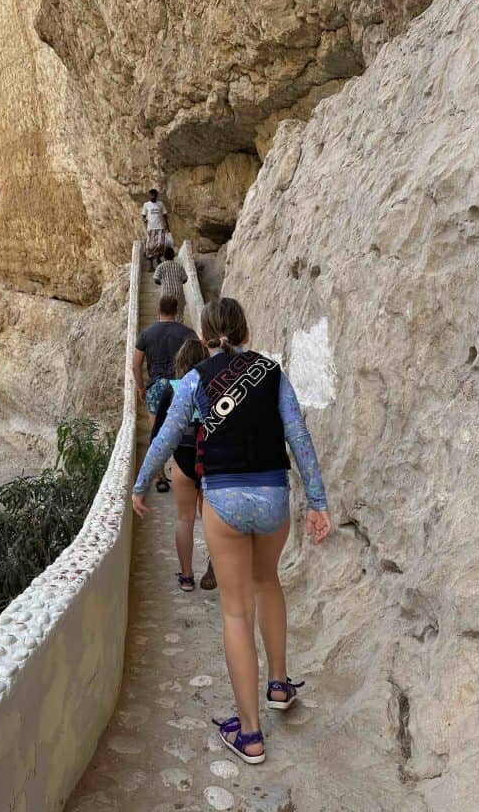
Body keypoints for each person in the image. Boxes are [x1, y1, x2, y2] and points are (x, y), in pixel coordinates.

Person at [132, 297, 332, 764]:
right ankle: (279, 685)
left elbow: (165, 435)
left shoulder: (195, 379)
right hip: (273, 497)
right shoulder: (272, 373)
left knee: (236, 613)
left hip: (223, 499)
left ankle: (250, 733)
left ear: (204, 338)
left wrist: (142, 484)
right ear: (246, 332)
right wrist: (318, 502)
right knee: (268, 582)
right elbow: (298, 434)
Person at [150, 338, 217, 592]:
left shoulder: (174, 388)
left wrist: (155, 472)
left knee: (184, 519)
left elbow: (158, 434)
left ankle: (187, 577)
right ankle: (215, 562)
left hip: (183, 459)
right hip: (210, 458)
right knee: (210, 518)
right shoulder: (215, 386)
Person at [133, 296, 197, 491]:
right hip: (179, 385)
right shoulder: (187, 333)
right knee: (183, 430)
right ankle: (180, 473)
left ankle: (160, 478)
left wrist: (142, 387)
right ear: (177, 312)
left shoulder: (146, 334)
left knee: (157, 432)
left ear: (158, 311)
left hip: (156, 386)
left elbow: (136, 365)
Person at [153, 246, 188, 322]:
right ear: (174, 256)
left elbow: (155, 279)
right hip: (178, 294)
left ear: (164, 256)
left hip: (166, 294)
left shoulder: (161, 266)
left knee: (165, 313)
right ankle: (178, 329)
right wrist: (178, 282)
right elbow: (185, 279)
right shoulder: (179, 266)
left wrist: (162, 283)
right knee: (179, 314)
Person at [141, 188, 169, 270]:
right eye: (151, 195)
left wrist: (168, 226)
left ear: (156, 196)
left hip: (160, 227)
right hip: (151, 228)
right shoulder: (146, 205)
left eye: (154, 195)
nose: (152, 196)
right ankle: (151, 265)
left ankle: (158, 259)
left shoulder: (160, 204)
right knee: (150, 247)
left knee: (160, 244)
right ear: (149, 196)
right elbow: (143, 215)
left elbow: (164, 215)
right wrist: (144, 220)